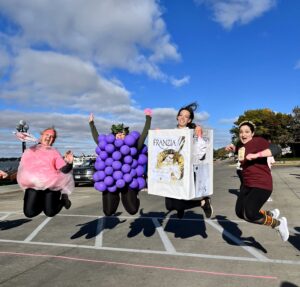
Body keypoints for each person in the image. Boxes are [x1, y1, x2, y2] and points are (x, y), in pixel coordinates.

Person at [225, 121, 289, 241]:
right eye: (241, 132)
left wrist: (257, 155)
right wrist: (233, 148)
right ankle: (270, 214)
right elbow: (242, 153)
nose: (243, 134)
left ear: (252, 133)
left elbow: (276, 149)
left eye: (247, 132)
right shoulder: (240, 145)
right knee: (239, 212)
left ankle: (278, 223)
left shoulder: (258, 141)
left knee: (250, 213)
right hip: (246, 184)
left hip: (261, 184)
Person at [89, 109, 152, 216]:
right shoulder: (109, 147)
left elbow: (144, 135)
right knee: (108, 212)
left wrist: (148, 119)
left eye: (122, 133)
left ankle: (135, 196)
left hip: (128, 182)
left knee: (133, 210)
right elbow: (97, 139)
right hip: (110, 181)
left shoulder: (133, 146)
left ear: (126, 135)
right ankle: (116, 196)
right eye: (117, 134)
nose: (119, 135)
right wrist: (91, 124)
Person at [164, 102, 213, 219]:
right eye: (181, 115)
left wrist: (199, 135)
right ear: (177, 117)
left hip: (184, 172)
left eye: (186, 116)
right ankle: (180, 209)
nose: (182, 118)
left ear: (189, 120)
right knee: (169, 206)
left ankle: (203, 203)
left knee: (177, 203)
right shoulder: (170, 133)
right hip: (170, 173)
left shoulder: (192, 133)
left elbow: (201, 152)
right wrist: (157, 135)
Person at [17, 127, 74, 218]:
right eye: (47, 135)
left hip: (51, 186)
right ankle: (44, 203)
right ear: (41, 136)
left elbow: (64, 170)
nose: (49, 137)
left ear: (53, 140)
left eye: (52, 137)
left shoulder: (54, 153)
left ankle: (63, 201)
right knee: (29, 213)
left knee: (50, 212)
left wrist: (69, 163)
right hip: (33, 185)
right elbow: (23, 167)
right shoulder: (30, 150)